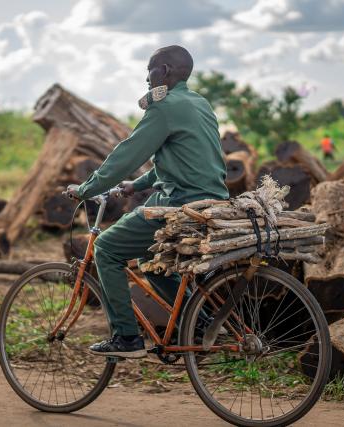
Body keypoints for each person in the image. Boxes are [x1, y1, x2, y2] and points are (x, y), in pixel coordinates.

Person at [65, 45, 229, 358]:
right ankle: (199, 324)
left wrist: (87, 188)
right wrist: (136, 185)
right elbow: (184, 160)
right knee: (150, 263)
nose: (146, 77)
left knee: (106, 248)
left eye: (150, 70)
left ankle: (126, 338)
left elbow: (126, 155)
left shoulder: (164, 107)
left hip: (180, 203)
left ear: (164, 71)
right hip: (211, 200)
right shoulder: (199, 103)